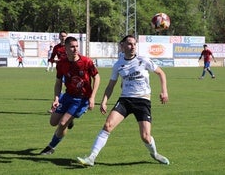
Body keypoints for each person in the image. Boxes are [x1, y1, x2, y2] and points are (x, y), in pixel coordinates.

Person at [77, 35, 170, 166]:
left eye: (134, 44)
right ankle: (91, 157)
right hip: (125, 100)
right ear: (123, 46)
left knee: (145, 136)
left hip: (142, 101)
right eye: (129, 44)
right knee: (107, 126)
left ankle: (155, 154)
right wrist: (104, 101)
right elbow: (111, 85)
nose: (132, 47)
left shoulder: (143, 60)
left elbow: (161, 73)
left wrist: (164, 91)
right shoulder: (118, 65)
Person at [40, 36, 100, 155]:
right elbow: (58, 83)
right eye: (72, 46)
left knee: (62, 124)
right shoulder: (62, 63)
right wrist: (56, 98)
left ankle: (51, 147)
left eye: (76, 46)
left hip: (81, 99)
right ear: (65, 48)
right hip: (67, 96)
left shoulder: (86, 61)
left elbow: (97, 77)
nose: (75, 49)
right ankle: (69, 120)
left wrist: (92, 97)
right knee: (53, 122)